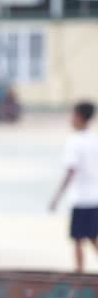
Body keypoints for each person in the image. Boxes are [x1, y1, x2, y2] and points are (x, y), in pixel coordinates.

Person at [49, 101, 98, 273]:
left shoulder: (74, 142)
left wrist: (56, 197)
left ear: (79, 117)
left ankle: (79, 272)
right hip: (94, 197)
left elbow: (71, 171)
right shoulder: (94, 139)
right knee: (92, 236)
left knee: (78, 238)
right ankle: (79, 271)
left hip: (81, 198)